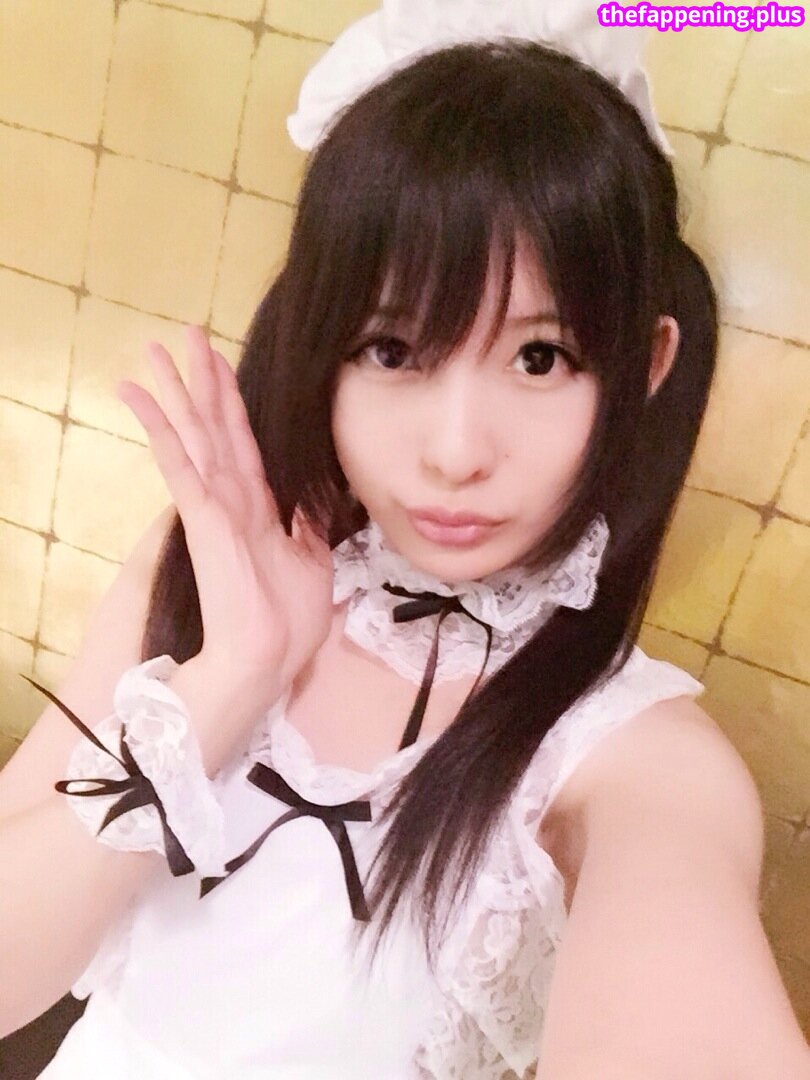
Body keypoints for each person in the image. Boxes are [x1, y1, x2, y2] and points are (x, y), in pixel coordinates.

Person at [1, 3, 808, 1077]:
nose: (457, 452)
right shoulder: (205, 571)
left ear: (646, 366)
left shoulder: (632, 757)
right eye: (391, 349)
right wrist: (230, 676)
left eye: (540, 359)